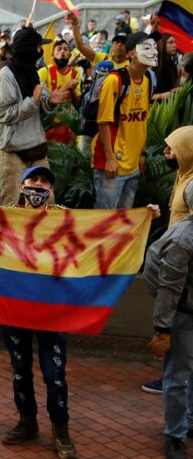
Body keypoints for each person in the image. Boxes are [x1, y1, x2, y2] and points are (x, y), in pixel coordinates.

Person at [1, 165, 76, 459]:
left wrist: (146, 215)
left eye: (46, 181)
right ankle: (27, 421)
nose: (39, 184)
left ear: (52, 191)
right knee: (20, 370)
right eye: (33, 179)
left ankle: (61, 429)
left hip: (52, 308)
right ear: (21, 187)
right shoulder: (5, 216)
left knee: (54, 372)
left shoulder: (67, 217)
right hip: (15, 306)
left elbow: (103, 231)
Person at [0, 27, 68, 207]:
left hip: (35, 146)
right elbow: (4, 114)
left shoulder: (33, 71)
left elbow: (43, 103)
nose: (41, 51)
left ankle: (43, 235)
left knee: (47, 201)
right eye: (39, 47)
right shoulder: (5, 77)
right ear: (30, 48)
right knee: (13, 204)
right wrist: (33, 101)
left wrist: (52, 101)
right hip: (11, 150)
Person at [143, 181, 193, 459]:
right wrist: (162, 328)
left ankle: (190, 421)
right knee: (178, 376)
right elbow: (169, 288)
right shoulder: (183, 240)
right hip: (182, 312)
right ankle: (175, 436)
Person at [92, 31, 160, 210]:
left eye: (154, 47)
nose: (153, 52)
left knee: (124, 222)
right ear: (131, 54)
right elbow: (103, 121)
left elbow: (142, 120)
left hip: (134, 167)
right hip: (113, 165)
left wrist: (142, 153)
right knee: (104, 222)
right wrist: (109, 159)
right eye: (146, 47)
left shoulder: (146, 81)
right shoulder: (114, 80)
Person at [38, 39, 82, 108]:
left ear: (70, 55)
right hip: (49, 117)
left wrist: (72, 90)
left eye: (65, 49)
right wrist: (66, 87)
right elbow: (37, 99)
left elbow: (77, 104)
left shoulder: (75, 73)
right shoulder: (44, 71)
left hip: (68, 118)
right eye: (59, 49)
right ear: (52, 55)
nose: (62, 51)